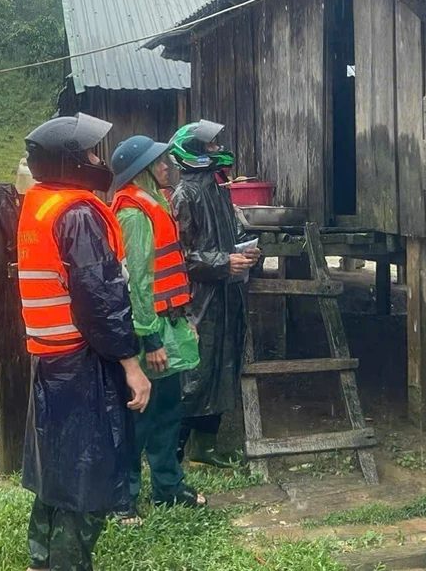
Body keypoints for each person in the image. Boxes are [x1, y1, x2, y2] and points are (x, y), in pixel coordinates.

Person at [17, 113, 152, 571]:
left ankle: (41, 560)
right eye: (92, 152)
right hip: (80, 361)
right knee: (85, 474)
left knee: (55, 470)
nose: (98, 159)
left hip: (49, 359)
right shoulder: (77, 214)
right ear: (71, 161)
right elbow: (101, 300)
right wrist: (131, 364)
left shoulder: (40, 204)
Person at [110, 135, 205, 509]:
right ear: (143, 171)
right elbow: (136, 283)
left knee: (168, 410)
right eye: (160, 161)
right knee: (140, 417)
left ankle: (168, 487)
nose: (167, 165)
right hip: (148, 329)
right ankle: (125, 497)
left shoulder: (156, 205)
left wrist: (183, 320)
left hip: (169, 321)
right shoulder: (133, 214)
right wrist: (150, 341)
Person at [168, 120, 260, 468]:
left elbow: (229, 238)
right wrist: (224, 262)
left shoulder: (220, 190)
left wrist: (245, 252)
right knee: (195, 374)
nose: (216, 149)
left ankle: (206, 448)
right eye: (209, 146)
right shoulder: (184, 196)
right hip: (199, 299)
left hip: (227, 295)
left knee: (224, 368)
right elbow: (180, 257)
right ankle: (173, 453)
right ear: (192, 153)